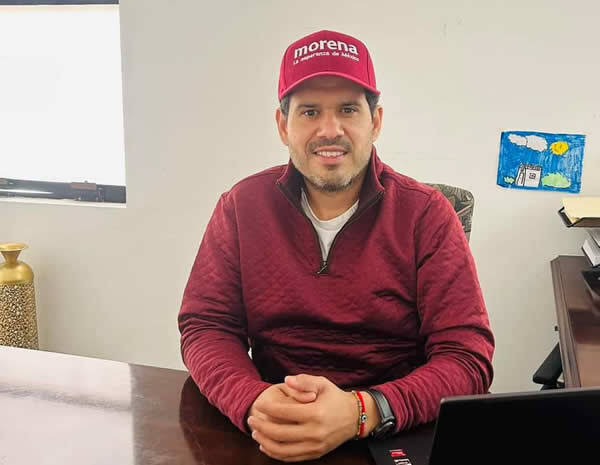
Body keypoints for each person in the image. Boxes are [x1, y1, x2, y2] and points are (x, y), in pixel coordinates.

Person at [178, 29, 494, 462]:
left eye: (348, 109)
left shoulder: (427, 214)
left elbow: (467, 356)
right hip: (272, 427)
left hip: (392, 428)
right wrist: (251, 399)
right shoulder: (240, 206)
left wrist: (362, 411)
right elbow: (206, 326)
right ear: (283, 126)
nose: (330, 130)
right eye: (309, 111)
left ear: (375, 122)